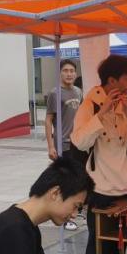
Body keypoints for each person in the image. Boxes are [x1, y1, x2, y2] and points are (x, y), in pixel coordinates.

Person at [71, 54, 127, 254]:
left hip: (125, 185)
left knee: (119, 243)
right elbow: (79, 141)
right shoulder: (90, 103)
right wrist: (102, 114)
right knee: (97, 244)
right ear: (111, 81)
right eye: (126, 78)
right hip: (100, 187)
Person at [45, 58, 85, 233]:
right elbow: (48, 120)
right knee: (65, 182)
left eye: (72, 71)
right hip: (63, 145)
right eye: (65, 71)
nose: (69, 74)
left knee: (77, 180)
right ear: (60, 73)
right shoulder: (55, 93)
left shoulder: (78, 92)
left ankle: (75, 211)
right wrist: (50, 146)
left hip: (78, 144)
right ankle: (65, 218)